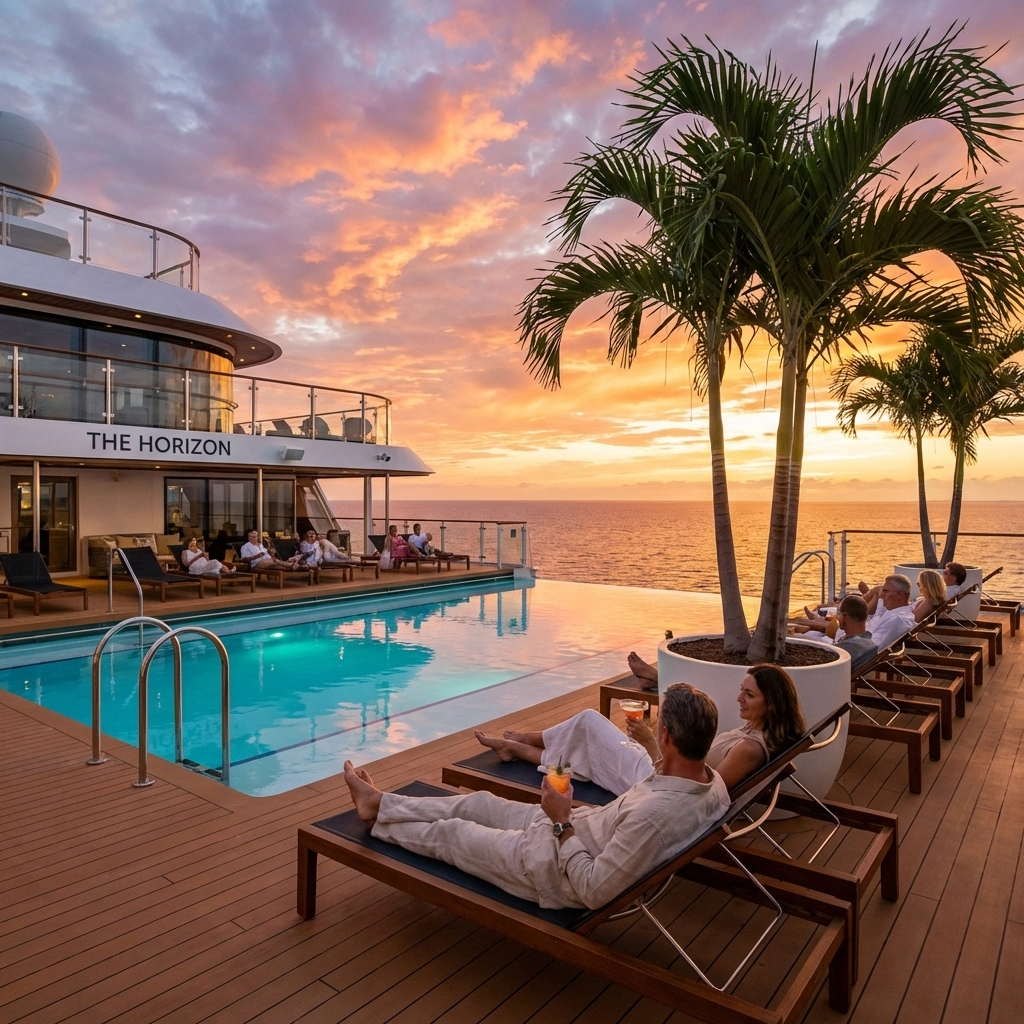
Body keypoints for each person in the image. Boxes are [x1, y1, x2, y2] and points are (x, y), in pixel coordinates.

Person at [343, 682, 730, 911]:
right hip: (575, 827)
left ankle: (378, 821)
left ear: (665, 736)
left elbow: (594, 889)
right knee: (478, 803)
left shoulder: (655, 817)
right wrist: (567, 817)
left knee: (454, 833)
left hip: (549, 866)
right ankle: (380, 804)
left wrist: (561, 821)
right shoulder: (712, 785)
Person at [475, 664, 806, 793]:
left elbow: (701, 793)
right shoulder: (753, 734)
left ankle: (520, 742)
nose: (739, 698)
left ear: (772, 703)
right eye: (742, 689)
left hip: (655, 781)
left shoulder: (750, 749)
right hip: (660, 766)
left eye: (749, 694)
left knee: (590, 723)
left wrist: (653, 745)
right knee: (583, 748)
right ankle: (517, 746)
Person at [829, 594, 877, 673]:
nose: (837, 618)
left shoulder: (846, 648)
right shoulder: (868, 643)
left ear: (844, 616)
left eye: (839, 614)